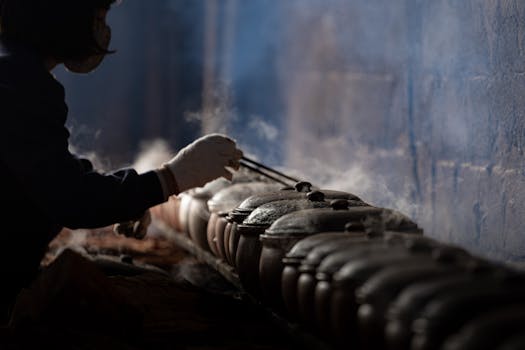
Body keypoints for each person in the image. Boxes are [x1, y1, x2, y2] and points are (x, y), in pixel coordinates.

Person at [0, 0, 243, 324]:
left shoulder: (13, 70)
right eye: (98, 15)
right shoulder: (21, 85)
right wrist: (171, 178)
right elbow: (70, 198)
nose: (103, 29)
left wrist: (129, 196)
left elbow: (47, 167)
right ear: (63, 15)